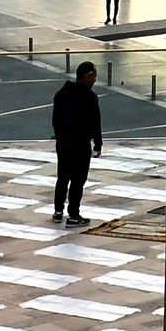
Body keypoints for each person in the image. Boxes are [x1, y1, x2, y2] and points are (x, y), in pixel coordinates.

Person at [51, 61, 103, 225]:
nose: (95, 80)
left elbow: (55, 120)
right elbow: (96, 122)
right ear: (87, 76)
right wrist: (98, 144)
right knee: (78, 180)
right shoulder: (89, 97)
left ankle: (58, 211)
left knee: (63, 177)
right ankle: (73, 214)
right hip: (81, 144)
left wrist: (60, 137)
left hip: (63, 143)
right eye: (94, 76)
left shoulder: (61, 93)